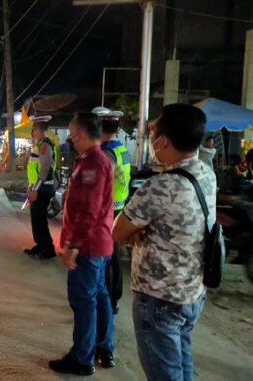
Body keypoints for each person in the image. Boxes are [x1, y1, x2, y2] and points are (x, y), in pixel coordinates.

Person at [112, 104, 215, 381]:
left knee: (164, 375)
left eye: (154, 131)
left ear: (164, 140)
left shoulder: (160, 186)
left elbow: (117, 231)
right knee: (181, 367)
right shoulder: (206, 174)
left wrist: (137, 232)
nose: (151, 138)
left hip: (159, 299)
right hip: (192, 293)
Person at [49, 112, 115, 376]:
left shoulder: (93, 164)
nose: (69, 137)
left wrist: (73, 246)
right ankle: (101, 346)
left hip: (88, 246)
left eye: (72, 132)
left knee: (84, 300)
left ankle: (82, 358)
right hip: (96, 244)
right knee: (98, 296)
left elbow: (88, 209)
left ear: (83, 134)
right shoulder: (90, 160)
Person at [92, 107, 130, 315]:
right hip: (118, 208)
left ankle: (107, 301)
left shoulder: (106, 153)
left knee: (106, 260)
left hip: (106, 213)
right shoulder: (120, 148)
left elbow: (99, 184)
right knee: (114, 259)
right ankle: (113, 299)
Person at [24, 116, 57, 259]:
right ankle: (41, 245)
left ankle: (48, 249)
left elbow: (44, 171)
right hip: (38, 187)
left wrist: (35, 189)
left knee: (40, 220)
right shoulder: (40, 145)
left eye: (34, 129)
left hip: (42, 189)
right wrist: (31, 187)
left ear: (38, 129)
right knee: (37, 219)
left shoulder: (44, 145)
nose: (33, 132)